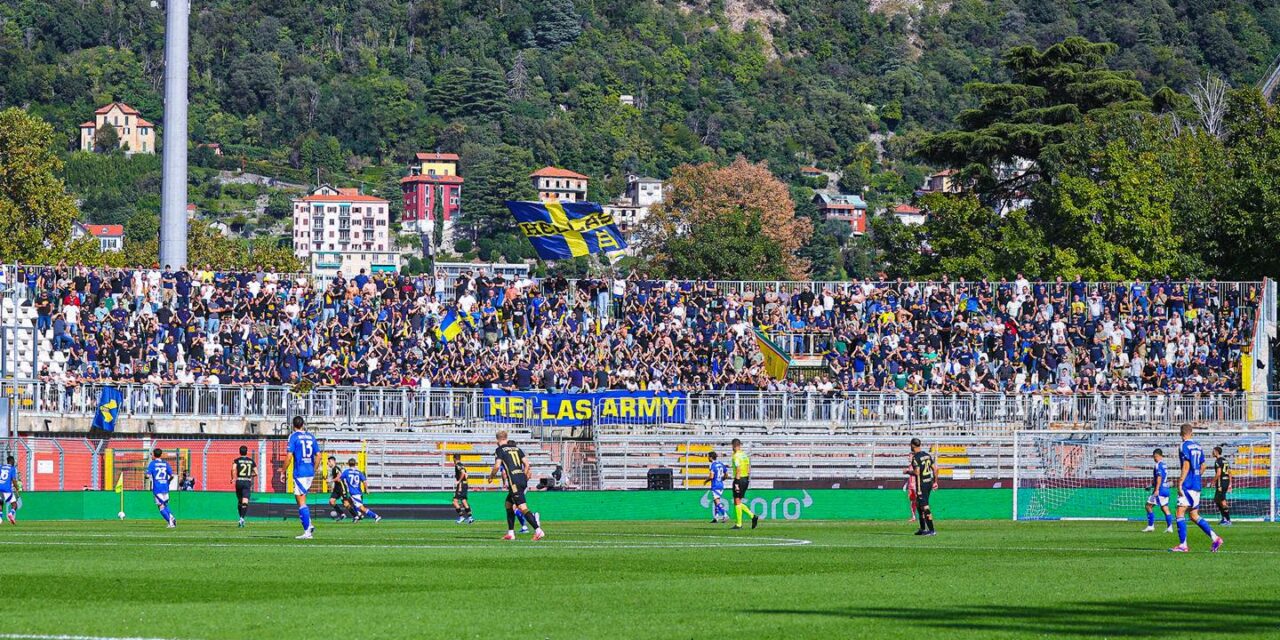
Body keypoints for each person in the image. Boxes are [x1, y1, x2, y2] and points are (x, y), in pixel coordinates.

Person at [1170, 424, 1223, 552]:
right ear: (1191, 433)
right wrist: (1196, 476)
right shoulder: (1198, 446)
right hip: (1197, 484)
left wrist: (1180, 482)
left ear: (1180, 434)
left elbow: (1186, 465)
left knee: (1179, 512)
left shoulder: (1183, 446)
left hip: (1187, 485)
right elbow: (1203, 466)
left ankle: (1183, 545)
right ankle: (1215, 538)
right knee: (1193, 515)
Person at [489, 431, 544, 541]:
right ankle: (511, 533)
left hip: (514, 481)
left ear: (497, 440)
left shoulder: (499, 450)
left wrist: (491, 476)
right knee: (508, 505)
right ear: (506, 438)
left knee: (522, 508)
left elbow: (497, 466)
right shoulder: (517, 449)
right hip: (521, 479)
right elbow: (527, 464)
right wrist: (524, 476)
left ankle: (538, 531)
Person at [287, 416, 319, 540]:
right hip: (309, 472)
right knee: (300, 500)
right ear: (303, 424)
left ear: (293, 425)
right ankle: (309, 525)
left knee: (301, 502)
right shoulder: (311, 436)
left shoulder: (293, 436)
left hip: (300, 472)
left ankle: (307, 532)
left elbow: (289, 456)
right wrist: (314, 469)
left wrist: (283, 470)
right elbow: (319, 456)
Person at [1142, 448, 1173, 533]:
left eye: (1156, 456)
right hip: (1166, 489)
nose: (1154, 458)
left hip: (1160, 490)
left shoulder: (1158, 465)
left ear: (1160, 456)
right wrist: (1151, 485)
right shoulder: (1164, 465)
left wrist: (1156, 489)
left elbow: (1159, 477)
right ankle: (1170, 527)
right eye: (1154, 456)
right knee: (1165, 508)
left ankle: (1150, 526)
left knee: (1148, 506)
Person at [910, 437, 936, 536]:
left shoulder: (915, 458)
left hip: (921, 485)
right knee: (918, 504)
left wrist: (908, 472)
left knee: (925, 506)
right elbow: (935, 468)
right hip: (929, 482)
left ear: (912, 445)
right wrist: (935, 481)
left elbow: (916, 472)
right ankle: (922, 529)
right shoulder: (927, 455)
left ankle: (932, 530)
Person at [730, 438, 758, 530]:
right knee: (737, 501)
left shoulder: (736, 456)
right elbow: (748, 467)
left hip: (739, 478)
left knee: (737, 501)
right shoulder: (745, 455)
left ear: (733, 446)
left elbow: (738, 468)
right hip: (745, 478)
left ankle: (739, 524)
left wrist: (737, 481)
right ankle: (752, 517)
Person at [146, 448, 176, 528]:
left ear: (154, 455)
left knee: (161, 506)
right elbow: (172, 476)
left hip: (157, 488)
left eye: (152, 454)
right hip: (165, 487)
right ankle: (171, 517)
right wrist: (168, 481)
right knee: (165, 504)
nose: (151, 455)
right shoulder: (165, 463)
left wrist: (147, 476)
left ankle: (170, 522)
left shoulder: (152, 463)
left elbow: (147, 475)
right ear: (161, 455)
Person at [232, 445, 257, 528]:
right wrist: (250, 474)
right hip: (247, 481)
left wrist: (233, 478)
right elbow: (256, 473)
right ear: (247, 452)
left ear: (240, 452)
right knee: (245, 501)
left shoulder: (237, 460)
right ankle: (242, 518)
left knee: (240, 501)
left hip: (239, 480)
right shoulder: (251, 461)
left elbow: (233, 469)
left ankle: (241, 518)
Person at [326, 456, 350, 521]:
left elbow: (339, 476)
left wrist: (331, 480)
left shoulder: (336, 468)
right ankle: (342, 514)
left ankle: (356, 515)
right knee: (331, 501)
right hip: (336, 488)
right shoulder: (333, 469)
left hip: (341, 487)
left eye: (329, 462)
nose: (328, 463)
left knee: (346, 503)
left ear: (333, 461)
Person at [1213, 445, 1232, 526]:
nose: (1212, 452)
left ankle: (1227, 520)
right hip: (1226, 481)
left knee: (1222, 501)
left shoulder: (1218, 461)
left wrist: (1213, 481)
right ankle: (1224, 518)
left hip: (1221, 483)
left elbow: (1218, 473)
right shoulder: (1225, 460)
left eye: (1213, 451)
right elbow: (1230, 473)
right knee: (1218, 500)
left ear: (1216, 452)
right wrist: (1230, 484)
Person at [707, 451, 728, 523]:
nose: (707, 458)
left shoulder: (712, 465)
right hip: (721, 485)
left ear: (710, 457)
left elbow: (711, 476)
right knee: (716, 501)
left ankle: (725, 515)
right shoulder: (721, 464)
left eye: (708, 457)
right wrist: (722, 479)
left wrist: (706, 481)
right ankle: (716, 518)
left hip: (715, 485)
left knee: (717, 501)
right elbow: (726, 474)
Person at [452, 454, 473, 524]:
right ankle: (470, 518)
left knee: (455, 501)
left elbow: (463, 473)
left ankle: (461, 517)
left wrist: (459, 481)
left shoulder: (458, 465)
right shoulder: (462, 465)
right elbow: (466, 475)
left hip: (461, 485)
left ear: (454, 459)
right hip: (465, 484)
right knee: (464, 501)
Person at [0, 456, 19, 525]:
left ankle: (0, 519)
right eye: (13, 461)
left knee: (1, 503)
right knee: (14, 504)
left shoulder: (1, 466)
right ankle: (11, 513)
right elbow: (14, 480)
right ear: (11, 461)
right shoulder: (12, 468)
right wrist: (16, 488)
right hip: (7, 489)